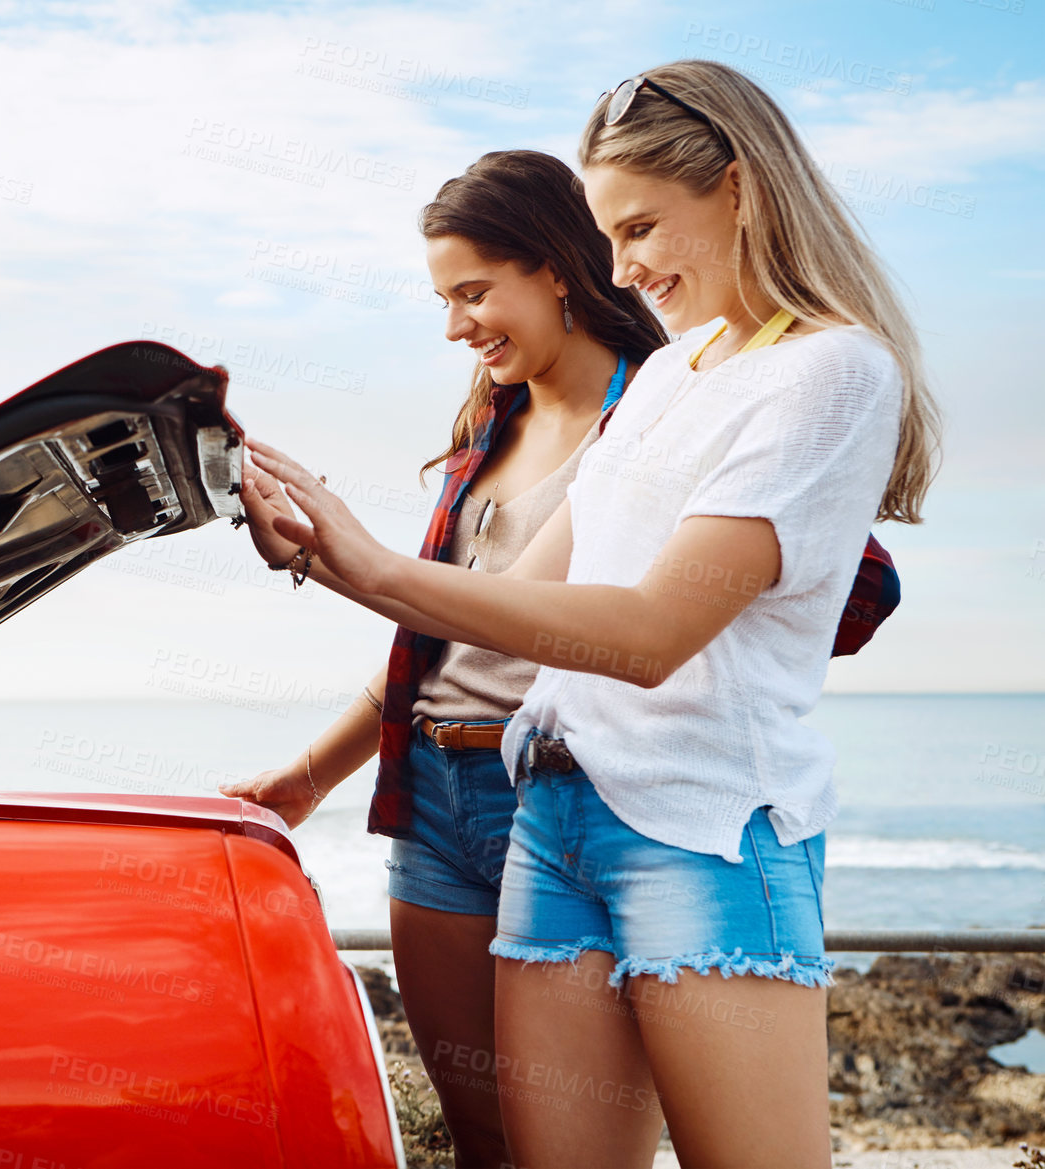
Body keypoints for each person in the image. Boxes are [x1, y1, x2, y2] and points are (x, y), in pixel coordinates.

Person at [223, 95, 920, 1165]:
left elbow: (646, 635)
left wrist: (361, 561)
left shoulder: (830, 370)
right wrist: (323, 554)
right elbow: (504, 611)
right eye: (608, 236)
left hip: (699, 832)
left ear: (738, 186)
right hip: (552, 813)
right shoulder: (669, 378)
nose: (623, 265)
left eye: (639, 228)